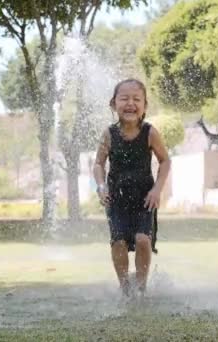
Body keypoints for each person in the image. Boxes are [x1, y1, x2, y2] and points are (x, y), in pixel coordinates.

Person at [92, 78, 171, 297]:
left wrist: (157, 190)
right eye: (124, 98)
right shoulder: (109, 134)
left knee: (143, 240)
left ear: (145, 106)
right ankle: (125, 288)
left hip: (145, 197)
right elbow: (98, 164)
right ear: (113, 104)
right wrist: (100, 186)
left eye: (137, 99)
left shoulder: (150, 133)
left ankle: (141, 287)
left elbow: (165, 161)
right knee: (118, 242)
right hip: (116, 198)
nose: (130, 103)